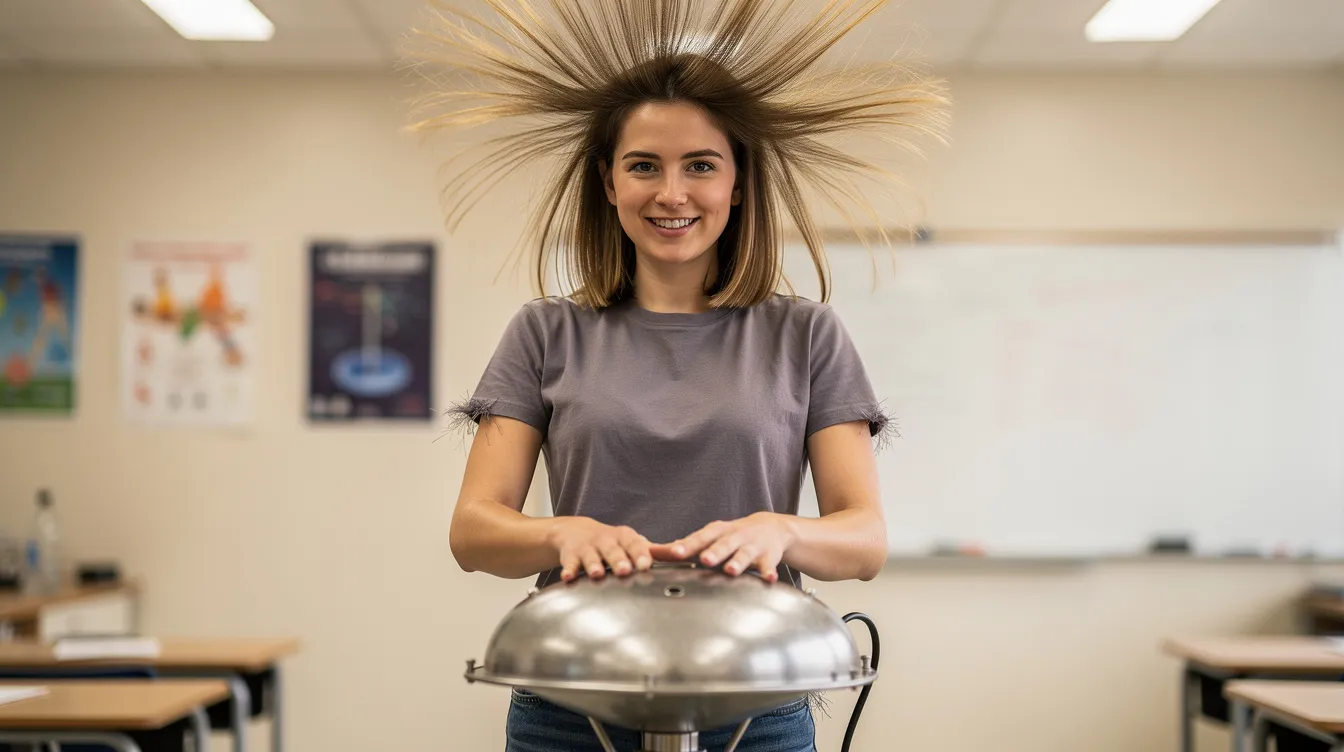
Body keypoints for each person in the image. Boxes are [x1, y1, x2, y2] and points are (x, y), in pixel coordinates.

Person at [405, 0, 948, 749]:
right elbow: (474, 532)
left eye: (700, 165)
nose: (671, 193)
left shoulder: (806, 335)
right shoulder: (545, 332)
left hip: (757, 710)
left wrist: (781, 531)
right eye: (643, 166)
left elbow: (864, 540)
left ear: (737, 183)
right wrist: (563, 534)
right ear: (608, 182)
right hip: (570, 708)